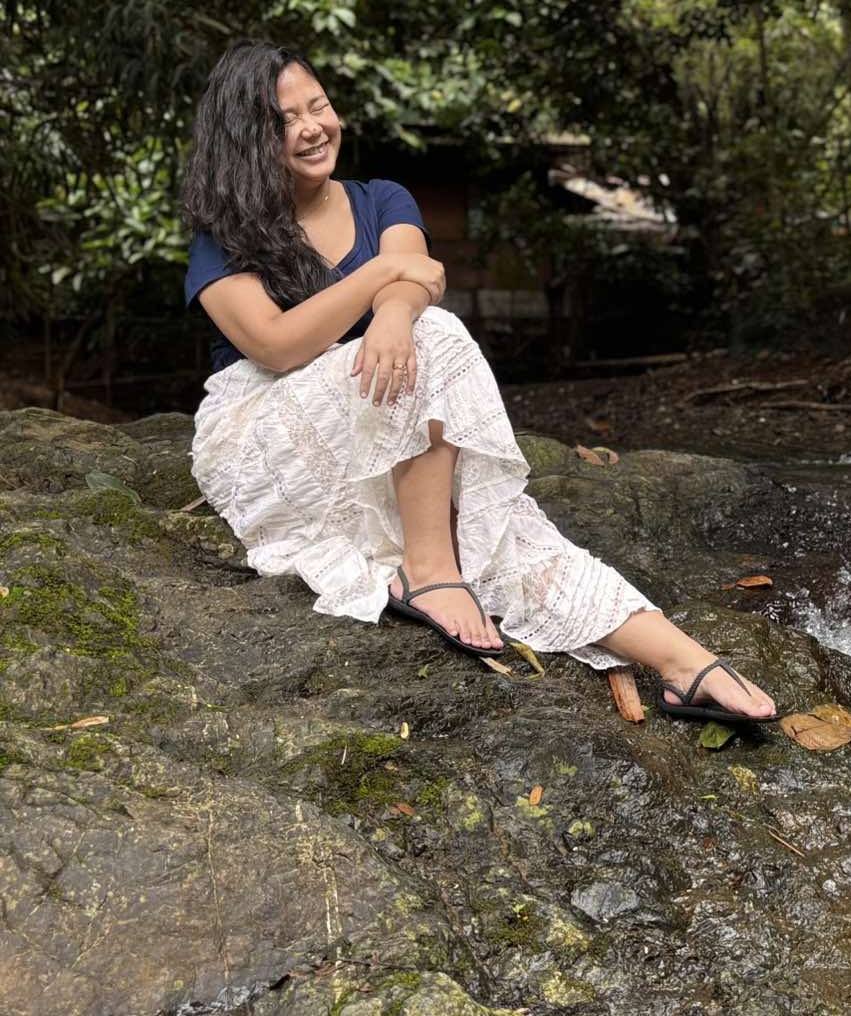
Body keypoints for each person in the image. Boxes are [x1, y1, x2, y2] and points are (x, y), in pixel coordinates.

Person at [181, 40, 775, 724]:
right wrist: (383, 279)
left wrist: (393, 311)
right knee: (433, 340)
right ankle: (430, 572)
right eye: (287, 119)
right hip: (268, 429)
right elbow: (276, 345)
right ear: (248, 138)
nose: (313, 127)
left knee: (497, 526)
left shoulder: (381, 199)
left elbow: (420, 281)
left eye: (319, 106)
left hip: (384, 407)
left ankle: (680, 663)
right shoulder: (225, 234)